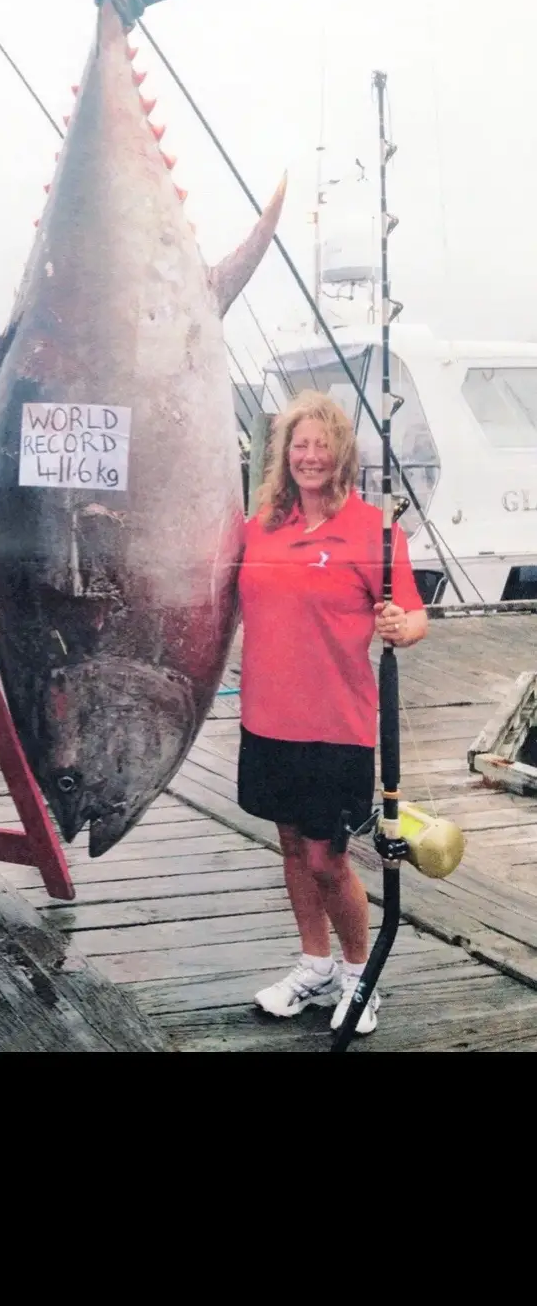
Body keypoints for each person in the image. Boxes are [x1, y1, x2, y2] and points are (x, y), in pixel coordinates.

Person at [236, 389, 428, 1035]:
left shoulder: (374, 529)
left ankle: (358, 975)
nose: (310, 456)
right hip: (265, 719)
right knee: (290, 847)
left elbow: (414, 615)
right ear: (283, 454)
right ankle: (314, 966)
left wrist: (404, 624)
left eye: (321, 445)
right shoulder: (258, 527)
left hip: (335, 726)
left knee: (328, 858)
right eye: (300, 445)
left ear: (341, 453)